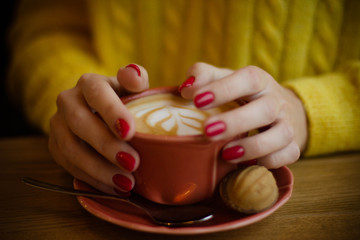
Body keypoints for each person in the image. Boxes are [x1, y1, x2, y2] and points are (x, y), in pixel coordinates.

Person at [7, 0, 360, 194]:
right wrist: (85, 107)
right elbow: (48, 26)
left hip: (324, 176)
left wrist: (307, 109)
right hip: (110, 173)